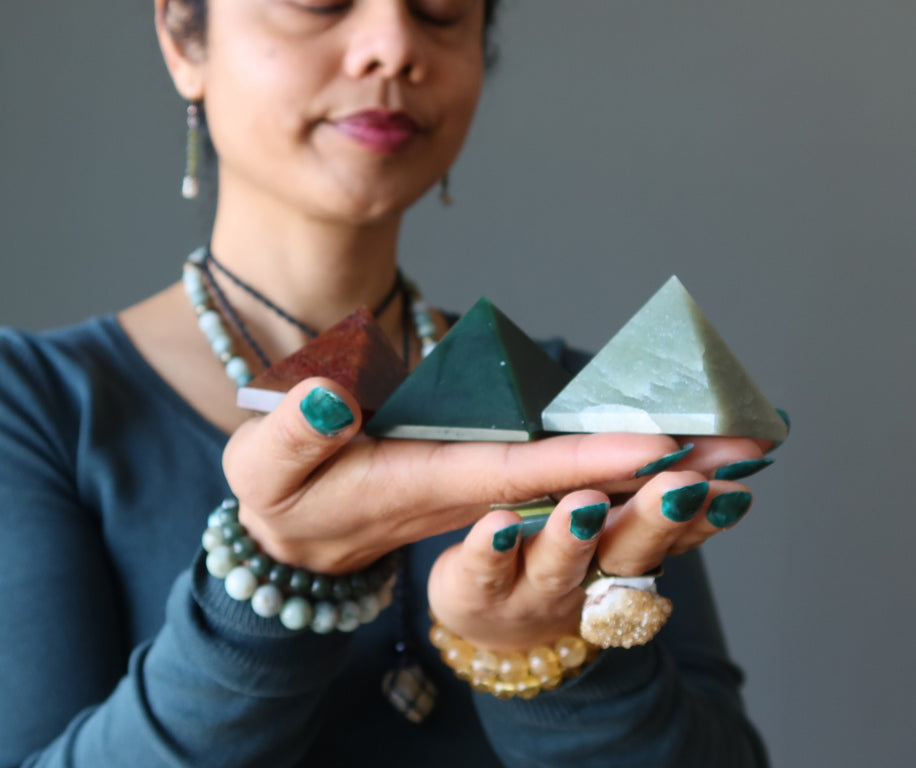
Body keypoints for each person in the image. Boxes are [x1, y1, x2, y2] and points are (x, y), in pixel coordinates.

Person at [0, 1, 778, 765]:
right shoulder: (35, 408)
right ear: (182, 37)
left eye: (440, 10)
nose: (393, 44)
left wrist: (545, 651)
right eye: (320, 1)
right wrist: (272, 577)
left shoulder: (585, 406)